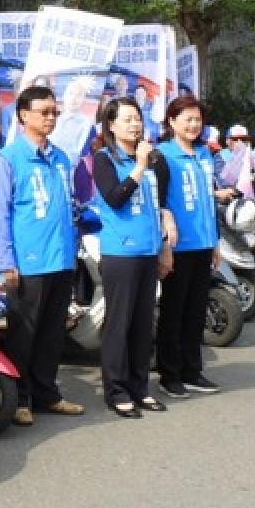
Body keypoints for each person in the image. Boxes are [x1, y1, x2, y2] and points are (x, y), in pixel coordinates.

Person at [0, 85, 85, 426]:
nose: (51, 117)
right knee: (23, 333)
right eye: (44, 111)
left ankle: (47, 393)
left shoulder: (60, 158)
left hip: (61, 258)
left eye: (54, 112)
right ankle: (20, 397)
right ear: (23, 115)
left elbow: (67, 206)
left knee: (53, 331)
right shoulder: (7, 160)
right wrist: (6, 262)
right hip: (28, 261)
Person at [91, 98, 174, 418]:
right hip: (121, 253)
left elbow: (157, 205)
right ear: (111, 125)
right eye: (127, 120)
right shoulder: (104, 159)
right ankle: (116, 390)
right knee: (119, 324)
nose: (134, 125)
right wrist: (138, 166)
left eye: (137, 119)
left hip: (148, 249)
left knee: (142, 324)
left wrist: (163, 245)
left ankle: (140, 388)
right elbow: (115, 199)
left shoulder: (152, 159)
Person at [156, 95, 227, 398]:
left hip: (203, 244)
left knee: (196, 312)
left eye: (198, 119)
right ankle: (169, 375)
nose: (194, 125)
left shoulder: (204, 155)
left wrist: (215, 242)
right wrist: (164, 247)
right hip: (177, 247)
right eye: (188, 119)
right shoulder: (162, 155)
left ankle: (192, 371)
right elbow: (157, 203)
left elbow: (209, 202)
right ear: (172, 122)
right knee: (174, 312)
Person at [50, 77, 94, 163]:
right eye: (71, 93)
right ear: (64, 95)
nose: (74, 98)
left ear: (83, 99)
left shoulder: (86, 124)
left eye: (78, 95)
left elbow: (81, 153)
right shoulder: (53, 116)